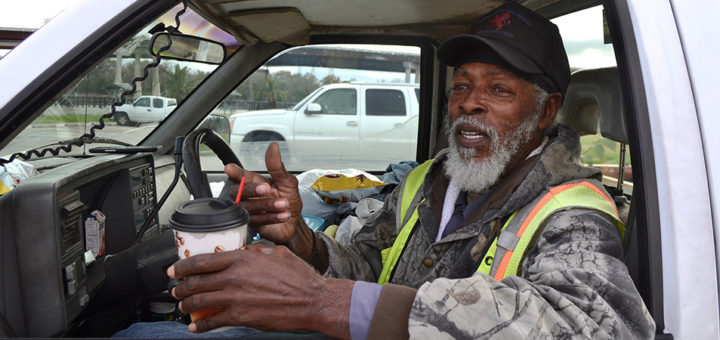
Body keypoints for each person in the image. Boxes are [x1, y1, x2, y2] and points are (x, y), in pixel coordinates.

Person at [116, 2, 655, 339]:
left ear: (544, 110)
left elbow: (592, 325)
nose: (469, 102)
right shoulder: (432, 179)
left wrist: (315, 301)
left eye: (498, 89)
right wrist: (301, 240)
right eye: (462, 85)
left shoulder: (574, 211)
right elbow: (370, 264)